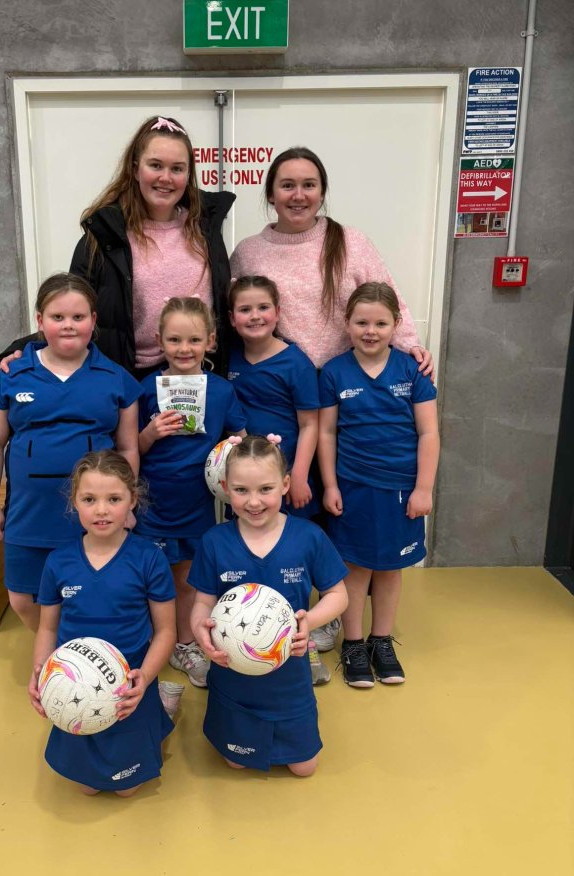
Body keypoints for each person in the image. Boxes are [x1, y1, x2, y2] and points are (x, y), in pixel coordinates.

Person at [230, 145, 434, 653]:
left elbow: (386, 299)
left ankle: (329, 614)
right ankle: (287, 610)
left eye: (308, 184)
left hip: (348, 392)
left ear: (322, 191)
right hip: (288, 392)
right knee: (293, 502)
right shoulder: (249, 251)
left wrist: (410, 347)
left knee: (336, 506)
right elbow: (233, 312)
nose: (298, 194)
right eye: (287, 185)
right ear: (270, 193)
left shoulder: (351, 241)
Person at [0, 115, 235, 380]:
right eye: (155, 165)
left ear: (188, 174)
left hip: (199, 376)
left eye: (177, 169)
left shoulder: (206, 231)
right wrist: (24, 348)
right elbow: (73, 311)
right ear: (135, 169)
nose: (166, 177)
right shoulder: (103, 237)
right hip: (128, 381)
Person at [0, 273, 141, 632]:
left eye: (79, 317)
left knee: (90, 591)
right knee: (22, 597)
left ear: (93, 321)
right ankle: (52, 648)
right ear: (40, 321)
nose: (69, 326)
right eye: (58, 317)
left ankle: (80, 655)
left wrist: (127, 506)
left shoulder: (116, 378)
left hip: (95, 511)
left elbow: (128, 447)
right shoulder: (12, 375)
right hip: (30, 511)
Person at [189, 435, 348, 775]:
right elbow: (202, 603)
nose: (254, 502)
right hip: (234, 672)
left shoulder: (308, 537)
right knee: (236, 762)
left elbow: (339, 595)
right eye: (241, 490)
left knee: (304, 767)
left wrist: (310, 621)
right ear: (225, 488)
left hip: (288, 673)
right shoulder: (214, 541)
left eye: (265, 489)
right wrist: (200, 632)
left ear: (285, 484)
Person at [28, 451, 177, 796]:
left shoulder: (149, 558)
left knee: (127, 788)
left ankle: (156, 704)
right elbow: (48, 628)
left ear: (132, 501)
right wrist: (39, 672)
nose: (101, 510)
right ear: (74, 503)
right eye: (89, 499)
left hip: (128, 684)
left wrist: (146, 679)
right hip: (78, 685)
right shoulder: (58, 562)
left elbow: (167, 630)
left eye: (114, 499)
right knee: (87, 789)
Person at [317, 282, 439, 688]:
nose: (371, 331)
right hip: (352, 488)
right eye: (361, 322)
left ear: (396, 324)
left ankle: (381, 640)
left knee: (389, 568)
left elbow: (429, 434)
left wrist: (424, 488)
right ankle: (352, 644)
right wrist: (330, 485)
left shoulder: (411, 370)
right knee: (354, 566)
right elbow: (327, 433)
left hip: (401, 491)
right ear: (347, 324)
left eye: (380, 323)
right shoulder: (334, 372)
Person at [136, 297, 247, 688]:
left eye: (194, 340)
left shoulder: (221, 391)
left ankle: (185, 644)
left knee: (188, 580)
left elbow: (238, 441)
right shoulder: (146, 388)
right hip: (151, 502)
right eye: (175, 339)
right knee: (148, 579)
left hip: (198, 504)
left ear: (211, 341)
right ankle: (146, 643)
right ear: (158, 340)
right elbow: (128, 449)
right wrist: (151, 432)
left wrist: (244, 461)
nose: (185, 349)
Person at [227, 275, 320, 519]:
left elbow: (310, 424)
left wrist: (298, 476)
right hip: (246, 477)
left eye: (263, 307)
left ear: (277, 312)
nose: (255, 316)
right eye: (245, 309)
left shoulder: (296, 364)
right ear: (231, 318)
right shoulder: (229, 358)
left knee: (290, 544)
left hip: (287, 475)